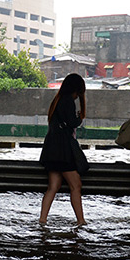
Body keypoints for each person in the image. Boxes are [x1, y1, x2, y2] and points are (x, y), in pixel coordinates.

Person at [39, 73, 87, 226]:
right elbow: (72, 123)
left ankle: (42, 220)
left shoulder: (57, 100)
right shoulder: (67, 101)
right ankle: (80, 221)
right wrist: (79, 118)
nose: (77, 96)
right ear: (76, 90)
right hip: (63, 151)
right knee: (76, 185)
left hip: (51, 149)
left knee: (53, 186)